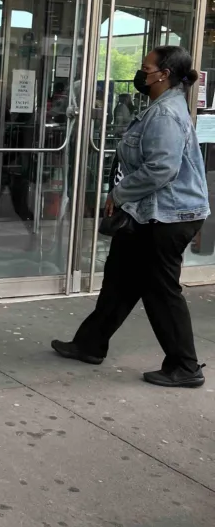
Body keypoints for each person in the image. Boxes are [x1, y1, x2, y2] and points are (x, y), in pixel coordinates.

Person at [52, 45, 210, 388]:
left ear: (163, 74)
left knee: (160, 290)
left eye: (146, 68)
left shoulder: (166, 114)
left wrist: (119, 194)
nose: (142, 74)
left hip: (166, 216)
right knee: (120, 279)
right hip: (149, 213)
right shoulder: (161, 107)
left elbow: (162, 169)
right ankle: (89, 344)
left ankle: (185, 366)